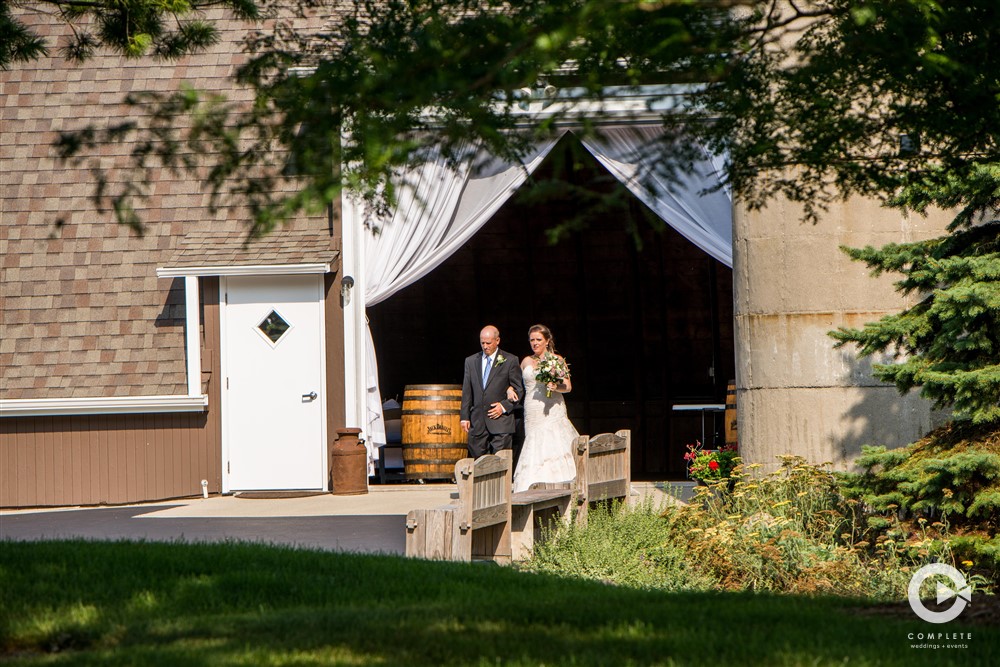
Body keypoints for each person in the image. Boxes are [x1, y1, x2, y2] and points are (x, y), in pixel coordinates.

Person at [511, 324, 579, 493]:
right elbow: (518, 385)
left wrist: (555, 386)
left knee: (554, 442)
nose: (535, 343)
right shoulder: (526, 361)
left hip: (552, 408)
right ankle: (531, 485)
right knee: (534, 444)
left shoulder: (557, 360)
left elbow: (568, 386)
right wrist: (509, 389)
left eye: (538, 340)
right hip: (532, 410)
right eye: (532, 340)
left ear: (547, 341)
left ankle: (558, 485)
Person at [460, 325, 524, 458]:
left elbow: (519, 390)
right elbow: (467, 391)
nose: (485, 346)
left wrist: (503, 406)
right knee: (479, 463)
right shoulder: (471, 361)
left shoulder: (510, 360)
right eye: (482, 342)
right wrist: (464, 417)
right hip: (478, 422)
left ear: (497, 341)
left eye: (488, 343)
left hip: (501, 422)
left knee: (499, 464)